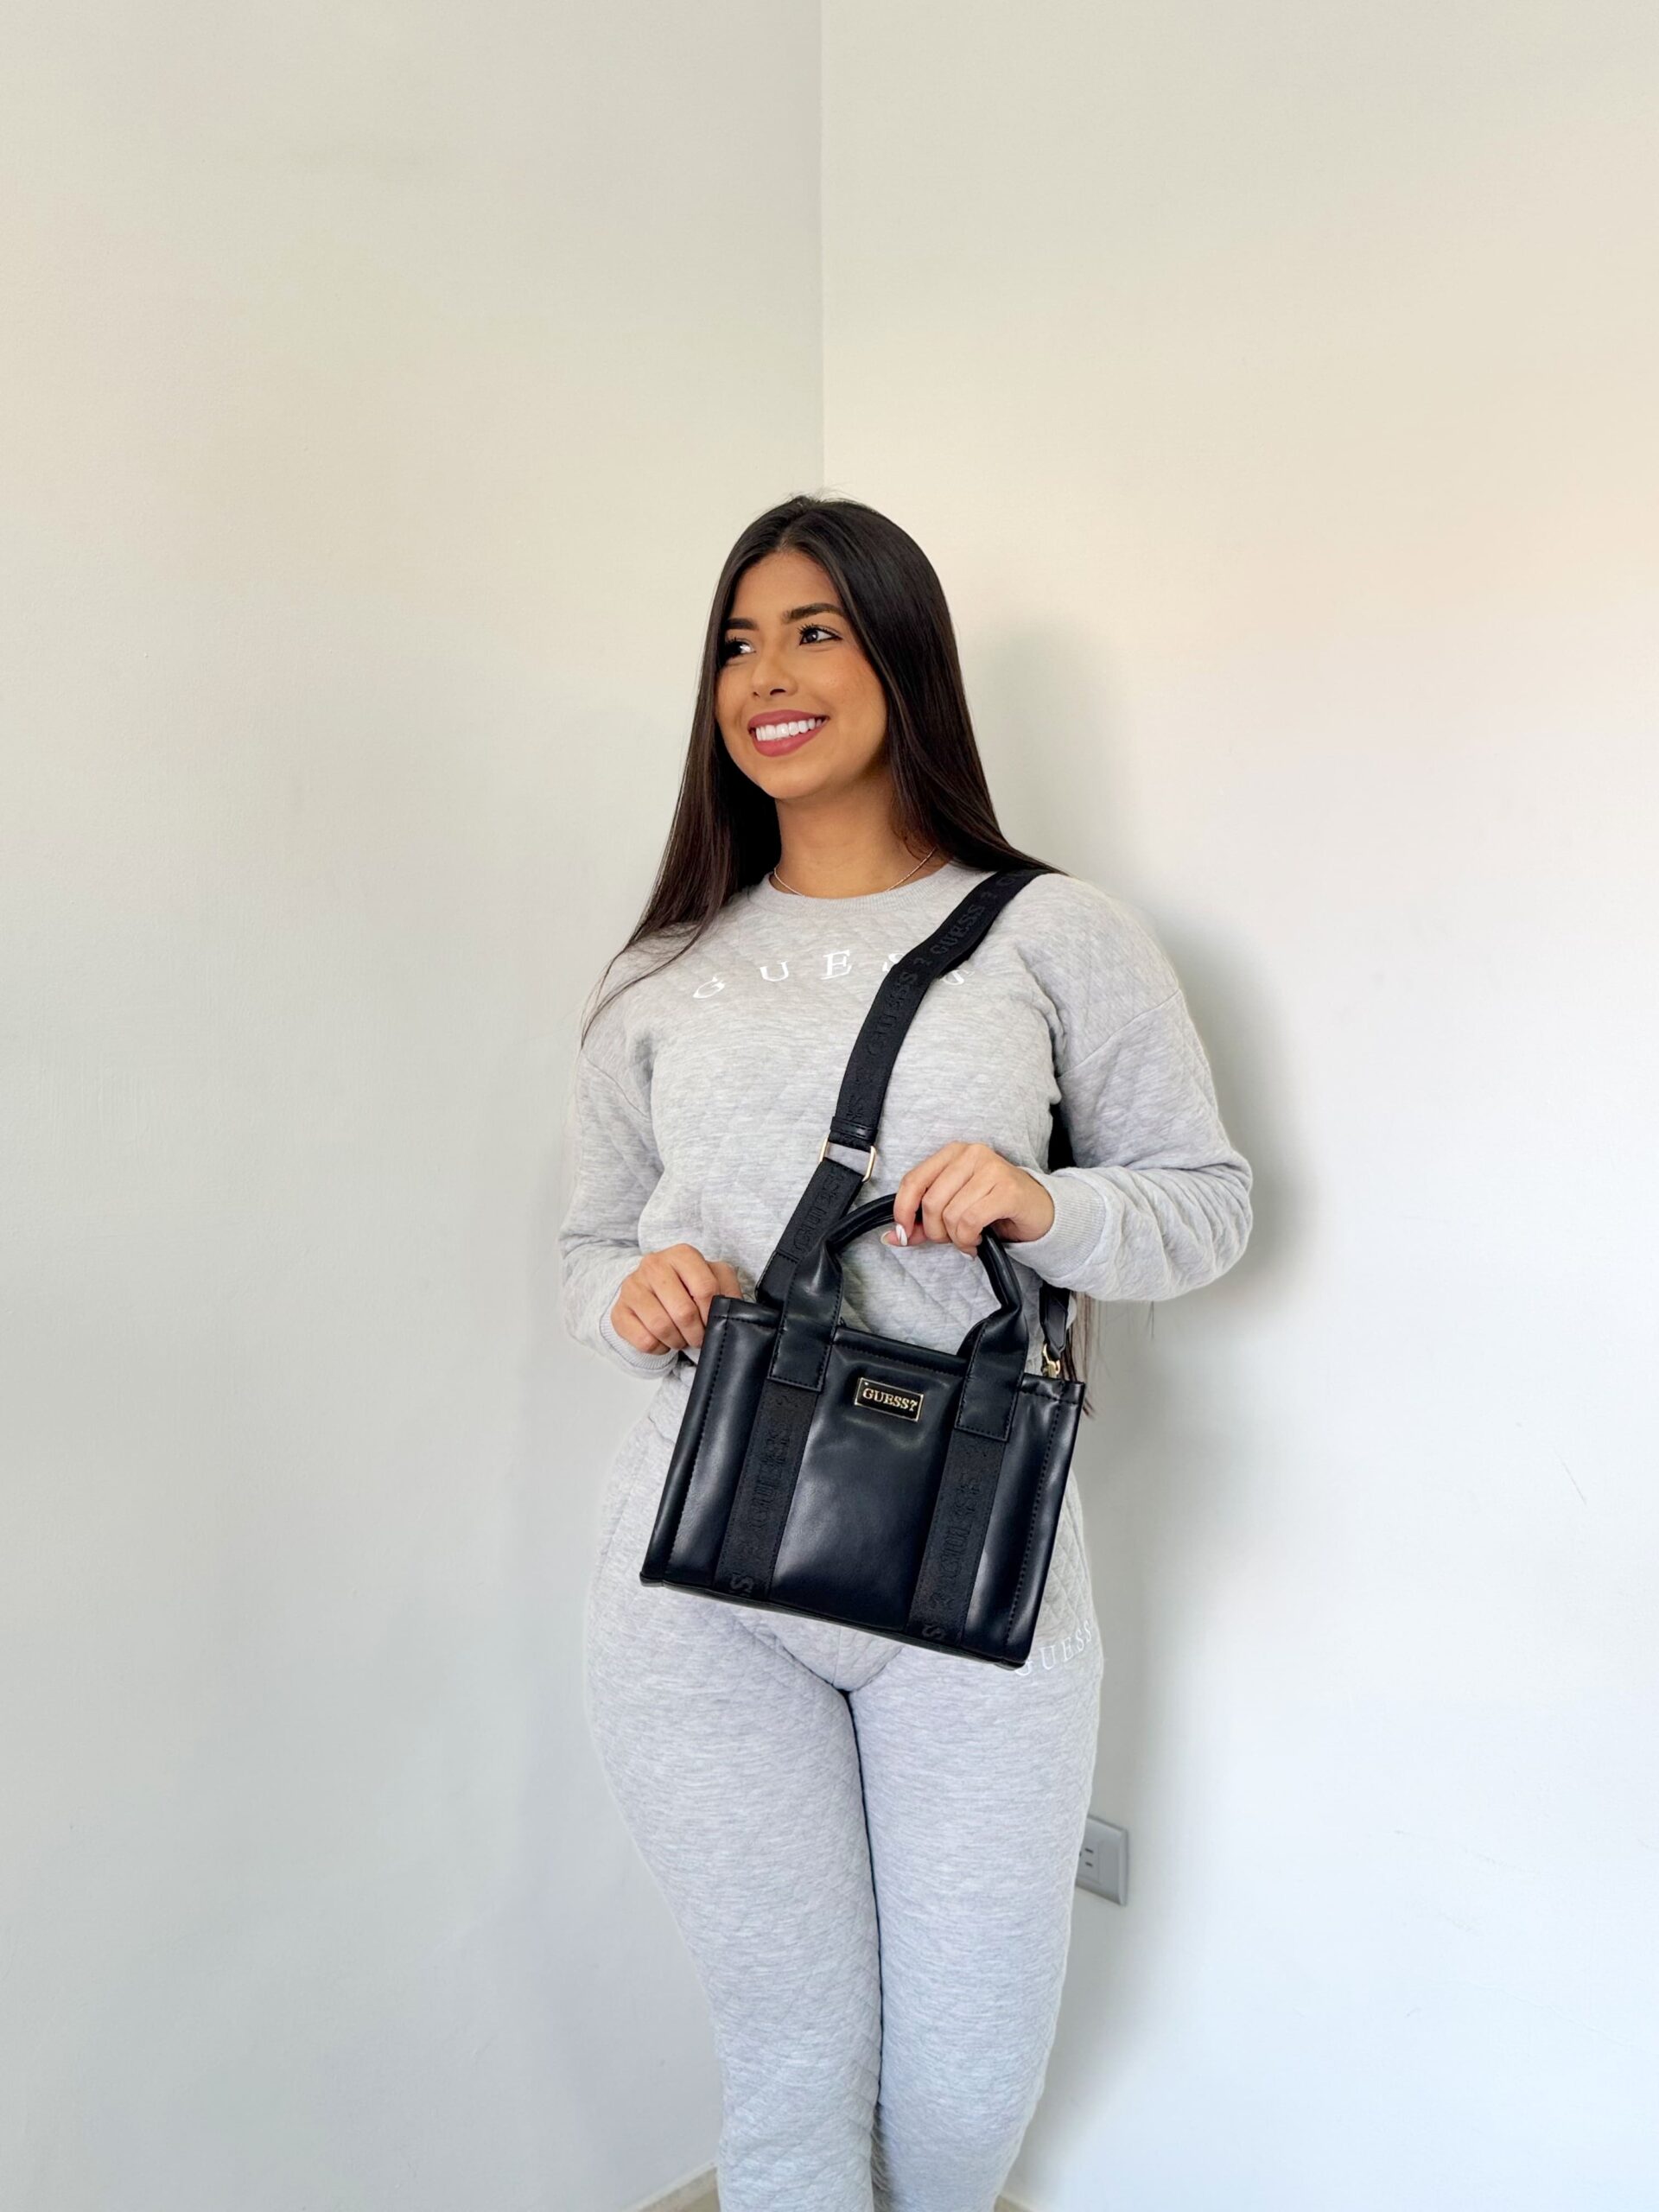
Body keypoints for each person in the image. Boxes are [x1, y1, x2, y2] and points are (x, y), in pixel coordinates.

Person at [558, 494, 1252, 2212]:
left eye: (816, 631)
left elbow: (1206, 1204)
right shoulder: (661, 973)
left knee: (961, 2090)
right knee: (791, 2080)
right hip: (695, 1574)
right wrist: (633, 1293)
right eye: (738, 642)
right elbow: (592, 1244)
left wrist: (1044, 1203)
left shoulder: (1054, 934)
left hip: (973, 1572)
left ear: (902, 656)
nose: (767, 678)